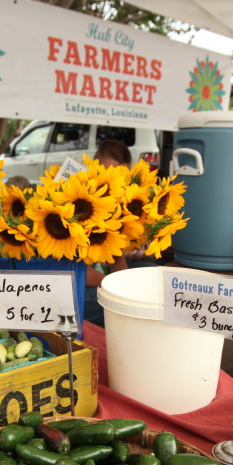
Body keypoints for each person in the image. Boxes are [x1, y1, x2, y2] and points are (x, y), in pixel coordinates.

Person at [83, 139, 131, 326]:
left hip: (102, 289)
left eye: (121, 175)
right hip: (79, 297)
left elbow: (119, 264)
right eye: (107, 172)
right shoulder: (81, 207)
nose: (112, 180)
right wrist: (114, 285)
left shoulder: (115, 210)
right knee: (122, 314)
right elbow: (77, 273)